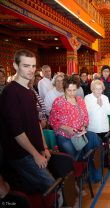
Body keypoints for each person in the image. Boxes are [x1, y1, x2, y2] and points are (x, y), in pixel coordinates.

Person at [0, 49, 55, 193]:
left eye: (33, 66)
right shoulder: (10, 92)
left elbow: (36, 123)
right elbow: (16, 130)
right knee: (53, 187)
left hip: (35, 150)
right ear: (16, 66)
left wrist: (43, 147)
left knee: (37, 191)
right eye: (26, 66)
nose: (31, 70)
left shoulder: (30, 92)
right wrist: (35, 154)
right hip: (21, 154)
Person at [49, 77, 100, 160]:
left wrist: (84, 126)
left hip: (79, 134)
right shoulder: (58, 102)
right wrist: (66, 128)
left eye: (74, 90)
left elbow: (86, 117)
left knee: (91, 147)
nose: (72, 93)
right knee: (75, 157)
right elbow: (52, 120)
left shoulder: (80, 100)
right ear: (64, 89)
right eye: (69, 90)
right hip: (64, 135)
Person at [85, 80, 110, 172]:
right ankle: (95, 165)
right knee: (95, 148)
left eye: (100, 89)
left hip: (104, 127)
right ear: (92, 89)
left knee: (104, 146)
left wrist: (102, 105)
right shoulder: (87, 98)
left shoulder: (105, 98)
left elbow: (109, 112)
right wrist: (97, 105)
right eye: (96, 89)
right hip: (93, 128)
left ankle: (105, 162)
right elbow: (88, 112)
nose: (99, 91)